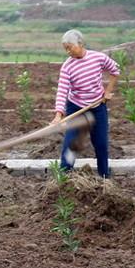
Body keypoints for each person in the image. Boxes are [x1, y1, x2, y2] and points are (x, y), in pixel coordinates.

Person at [52, 29, 120, 178]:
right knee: (72, 145)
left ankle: (104, 178)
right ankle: (63, 179)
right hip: (76, 107)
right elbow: (62, 91)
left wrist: (107, 91)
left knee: (101, 144)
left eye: (70, 47)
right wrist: (58, 115)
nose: (68, 52)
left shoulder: (98, 58)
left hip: (97, 107)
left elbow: (115, 70)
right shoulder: (67, 67)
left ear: (80, 43)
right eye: (66, 49)